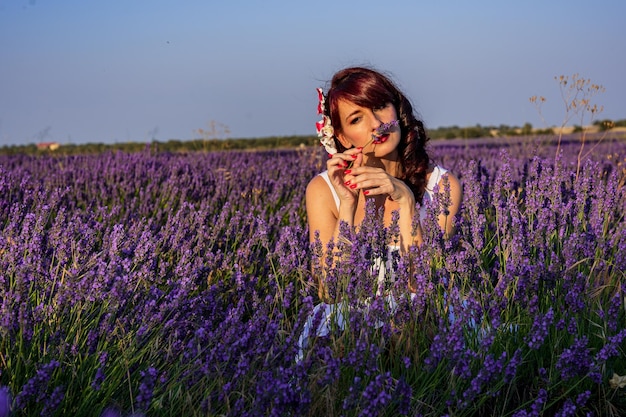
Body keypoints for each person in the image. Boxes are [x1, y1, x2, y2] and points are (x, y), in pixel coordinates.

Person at [297, 66, 463, 360]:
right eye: (357, 119)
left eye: (379, 106)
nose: (376, 124)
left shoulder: (442, 186)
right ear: (343, 137)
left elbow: (424, 286)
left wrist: (406, 202)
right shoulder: (324, 191)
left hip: (420, 326)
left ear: (396, 110)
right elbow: (330, 291)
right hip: (348, 331)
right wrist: (348, 205)